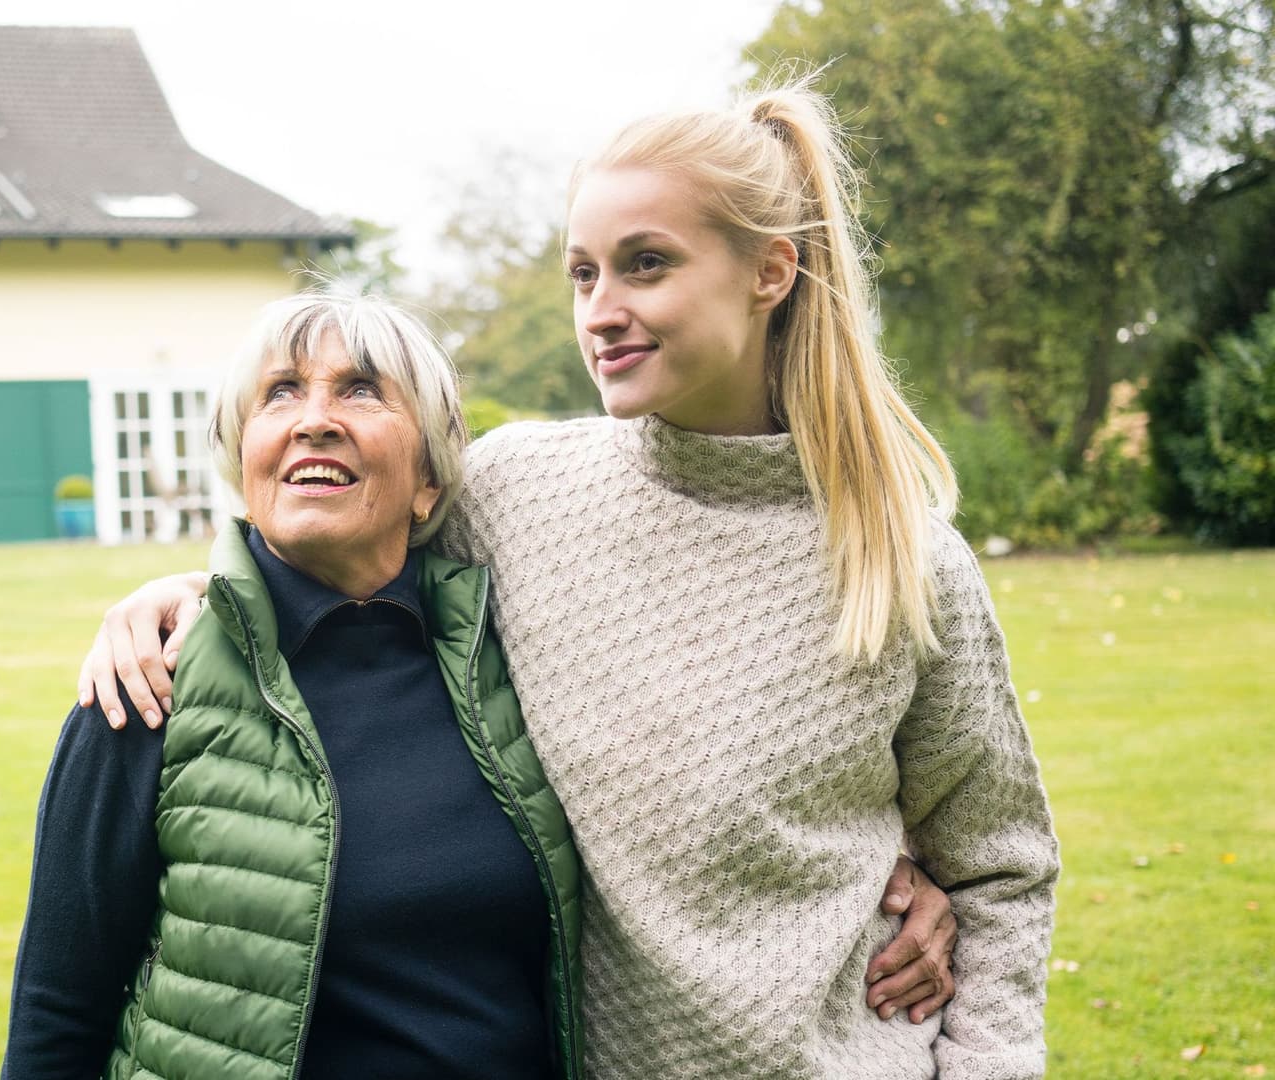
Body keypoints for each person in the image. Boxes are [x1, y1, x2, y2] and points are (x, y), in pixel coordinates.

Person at [76, 73, 1059, 1079]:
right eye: (583, 273)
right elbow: (340, 559)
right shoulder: (514, 493)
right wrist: (191, 602)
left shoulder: (906, 562)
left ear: (771, 271)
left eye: (645, 266)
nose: (603, 310)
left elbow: (999, 869)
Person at [3, 295, 587, 1079]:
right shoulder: (149, 680)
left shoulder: (515, 659)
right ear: (246, 462)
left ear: (429, 478)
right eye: (280, 392)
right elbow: (57, 1011)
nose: (314, 419)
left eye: (361, 389)